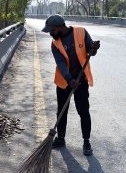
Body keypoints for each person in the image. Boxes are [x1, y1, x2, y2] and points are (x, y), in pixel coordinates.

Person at [41, 14, 100, 156]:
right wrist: (69, 79)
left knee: (83, 111)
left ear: (61, 27)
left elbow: (90, 50)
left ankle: (86, 142)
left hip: (81, 80)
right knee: (62, 110)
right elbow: (60, 63)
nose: (50, 33)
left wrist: (94, 49)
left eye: (52, 30)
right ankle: (61, 138)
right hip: (64, 81)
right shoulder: (55, 43)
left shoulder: (81, 32)